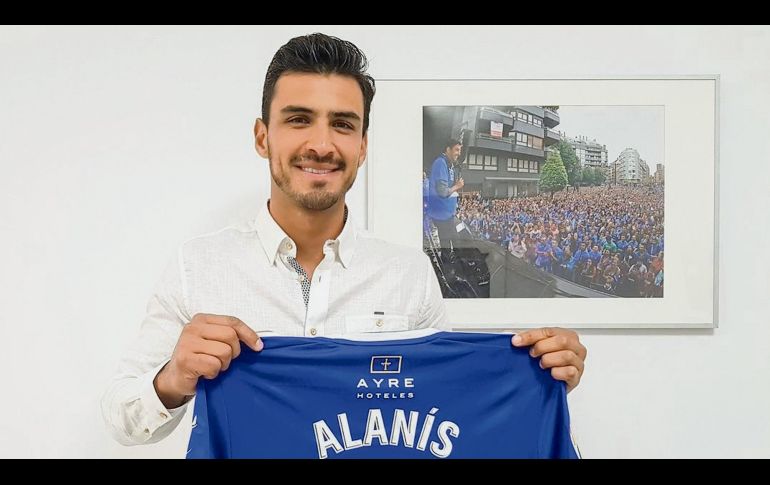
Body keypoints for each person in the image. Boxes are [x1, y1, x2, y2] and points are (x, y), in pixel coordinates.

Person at [101, 33, 587, 447]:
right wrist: (174, 378)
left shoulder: (408, 274)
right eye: (297, 119)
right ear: (261, 137)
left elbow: (445, 407)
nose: (321, 143)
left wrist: (533, 379)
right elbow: (122, 419)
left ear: (363, 145)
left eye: (342, 124)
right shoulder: (199, 265)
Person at [426, 139, 472, 249]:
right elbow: (442, 192)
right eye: (456, 150)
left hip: (445, 213)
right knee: (457, 242)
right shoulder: (441, 163)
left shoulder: (449, 165)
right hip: (441, 214)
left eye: (460, 150)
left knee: (447, 243)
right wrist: (457, 186)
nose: (459, 153)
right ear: (448, 149)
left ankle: (447, 263)